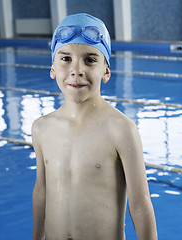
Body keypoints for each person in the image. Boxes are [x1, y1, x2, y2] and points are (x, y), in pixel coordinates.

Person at [31, 13, 157, 240]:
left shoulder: (120, 129)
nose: (76, 69)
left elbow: (140, 205)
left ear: (106, 71)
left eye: (89, 60)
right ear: (52, 68)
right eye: (65, 58)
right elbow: (41, 192)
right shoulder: (42, 128)